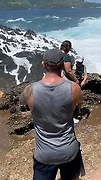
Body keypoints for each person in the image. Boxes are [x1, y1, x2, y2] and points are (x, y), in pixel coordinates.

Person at [20, 49, 84, 180]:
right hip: (68, 151)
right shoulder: (74, 89)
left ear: (43, 65)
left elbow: (22, 104)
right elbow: (78, 108)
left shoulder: (30, 90)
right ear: (62, 66)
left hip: (44, 154)